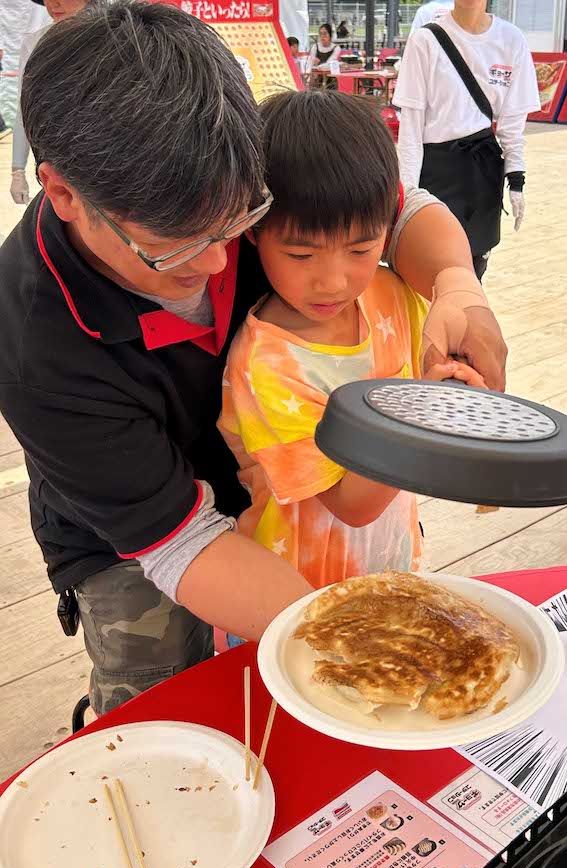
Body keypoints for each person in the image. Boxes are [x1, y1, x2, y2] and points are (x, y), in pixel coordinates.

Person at [0, 1, 507, 717]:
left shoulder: (230, 149)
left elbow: (395, 206)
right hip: (134, 523)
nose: (217, 263)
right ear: (64, 195)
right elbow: (180, 544)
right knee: (158, 681)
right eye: (175, 244)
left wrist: (458, 285)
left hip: (275, 486)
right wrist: (356, 639)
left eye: (239, 220)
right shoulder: (35, 342)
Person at [219, 91, 483, 590]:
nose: (334, 281)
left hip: (391, 560)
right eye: (301, 255)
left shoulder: (393, 295)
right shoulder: (267, 363)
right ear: (254, 231)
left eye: (362, 248)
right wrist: (429, 406)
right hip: (298, 586)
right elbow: (351, 505)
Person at [395, 0, 540, 281]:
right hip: (435, 172)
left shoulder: (511, 40)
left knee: (473, 271)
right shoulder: (425, 39)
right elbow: (411, 129)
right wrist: (407, 195)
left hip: (482, 173)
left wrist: (517, 179)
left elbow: (511, 126)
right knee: (428, 269)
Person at [10, 0, 89, 205]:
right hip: (52, 163)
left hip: (104, 163)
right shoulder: (35, 43)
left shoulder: (118, 36)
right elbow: (24, 109)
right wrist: (17, 170)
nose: (53, 3)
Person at [308, 23, 341, 88]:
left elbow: (330, 63)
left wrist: (319, 65)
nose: (322, 36)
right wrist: (313, 62)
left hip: (330, 80)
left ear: (330, 35)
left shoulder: (336, 48)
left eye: (325, 33)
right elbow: (310, 63)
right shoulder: (315, 47)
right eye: (320, 34)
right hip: (317, 80)